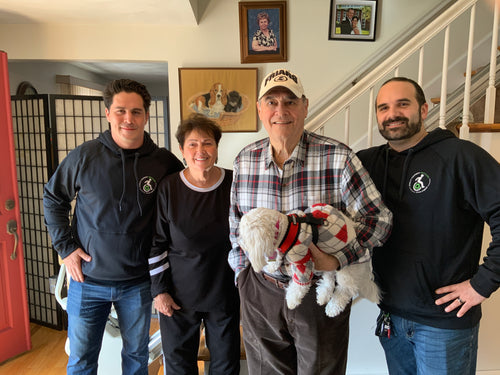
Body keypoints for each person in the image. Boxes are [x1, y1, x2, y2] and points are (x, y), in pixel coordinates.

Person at [228, 68, 393, 374]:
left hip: (319, 294)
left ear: (305, 107)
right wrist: (243, 278)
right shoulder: (244, 161)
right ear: (260, 109)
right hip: (260, 293)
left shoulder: (338, 157)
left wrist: (337, 260)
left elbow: (379, 220)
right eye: (272, 101)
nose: (281, 110)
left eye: (290, 101)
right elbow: (236, 226)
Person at [357, 77, 500, 375]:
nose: (392, 113)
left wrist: (482, 284)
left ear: (423, 110)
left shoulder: (461, 157)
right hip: (391, 318)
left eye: (402, 104)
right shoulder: (366, 164)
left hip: (444, 325)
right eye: (383, 107)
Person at [43, 79, 184, 375]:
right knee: (81, 362)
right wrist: (66, 247)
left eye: (136, 111)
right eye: (120, 111)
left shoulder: (163, 163)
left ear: (146, 115)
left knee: (136, 360)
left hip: (138, 283)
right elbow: (53, 197)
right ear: (108, 113)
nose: (128, 119)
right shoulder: (85, 156)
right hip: (87, 282)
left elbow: (181, 208)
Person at [149, 113, 240, 374]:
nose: (201, 150)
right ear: (182, 150)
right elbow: (157, 244)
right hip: (178, 296)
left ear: (217, 147)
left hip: (224, 292)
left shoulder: (234, 183)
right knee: (178, 365)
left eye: (207, 143)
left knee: (226, 365)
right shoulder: (168, 188)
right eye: (192, 144)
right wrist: (159, 291)